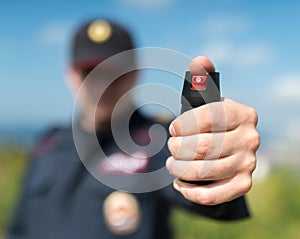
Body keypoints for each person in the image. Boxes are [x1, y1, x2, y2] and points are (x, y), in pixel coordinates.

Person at [7, 18, 259, 239]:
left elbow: (201, 182)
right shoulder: (47, 145)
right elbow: (18, 227)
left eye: (115, 73)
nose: (103, 84)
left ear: (135, 74)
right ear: (70, 74)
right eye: (89, 72)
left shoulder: (160, 140)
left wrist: (214, 159)